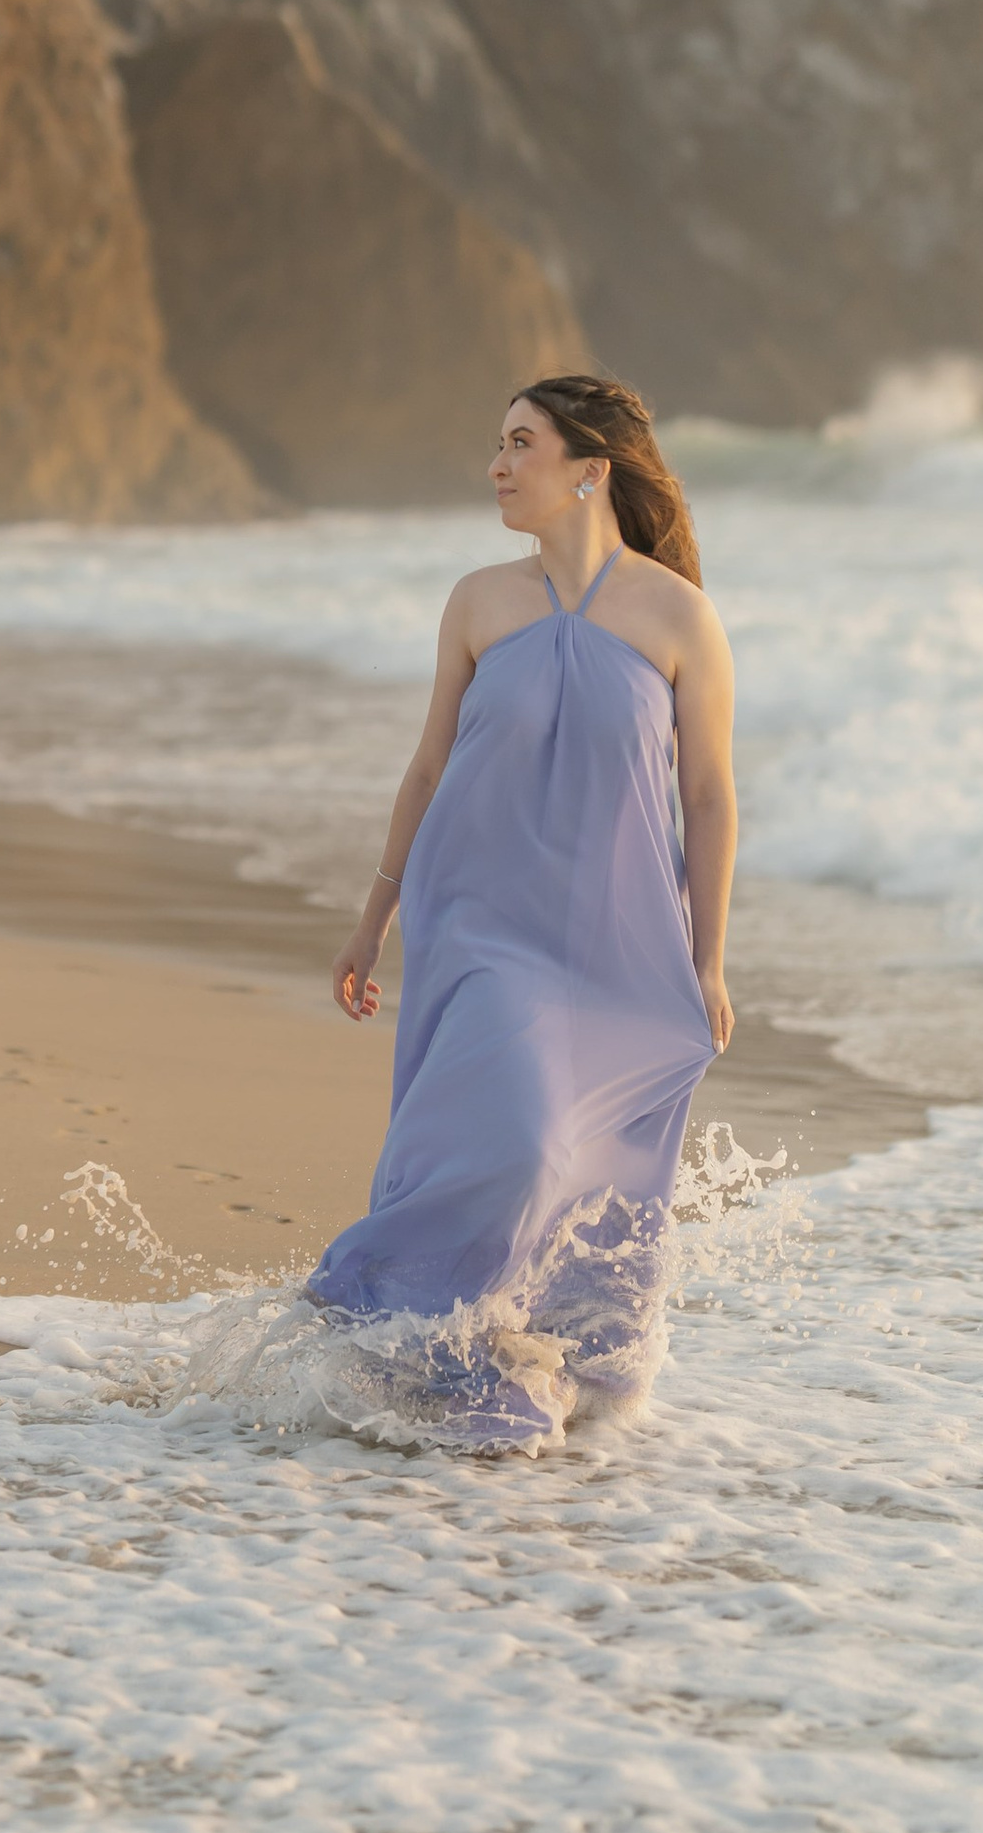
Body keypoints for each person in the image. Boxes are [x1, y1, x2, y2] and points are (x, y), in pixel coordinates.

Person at [308, 375, 737, 1452]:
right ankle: (421, 1331)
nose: (497, 466)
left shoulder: (677, 615)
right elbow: (426, 767)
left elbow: (708, 795)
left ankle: (543, 1351)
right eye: (497, 444)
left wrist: (710, 959)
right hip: (479, 918)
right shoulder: (478, 601)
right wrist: (374, 918)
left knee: (574, 1150)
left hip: (618, 934)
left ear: (589, 467)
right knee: (514, 1135)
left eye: (519, 444)